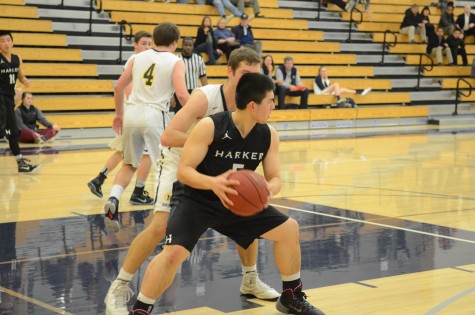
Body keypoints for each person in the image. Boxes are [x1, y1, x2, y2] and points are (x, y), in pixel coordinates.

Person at [127, 72, 325, 315]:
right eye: (270, 101)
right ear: (253, 105)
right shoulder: (211, 125)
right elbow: (184, 171)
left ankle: (291, 296)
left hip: (236, 202)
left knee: (289, 228)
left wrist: (267, 190)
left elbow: (276, 179)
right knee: (173, 252)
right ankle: (141, 309)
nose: (274, 105)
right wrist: (213, 183)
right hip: (196, 198)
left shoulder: (268, 134)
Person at [104, 48, 280, 315]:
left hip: (217, 160)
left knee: (247, 204)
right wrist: (210, 140)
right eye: (245, 74)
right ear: (229, 72)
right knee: (160, 226)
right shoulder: (205, 97)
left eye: (256, 76)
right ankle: (119, 287)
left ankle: (250, 278)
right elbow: (168, 136)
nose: (250, 82)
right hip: (180, 161)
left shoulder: (254, 103)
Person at [103, 22, 190, 233]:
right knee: (165, 165)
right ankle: (165, 215)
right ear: (175, 42)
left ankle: (113, 199)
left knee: (129, 164)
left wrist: (119, 114)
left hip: (132, 112)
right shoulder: (176, 61)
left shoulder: (137, 58)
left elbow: (118, 87)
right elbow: (181, 94)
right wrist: (198, 113)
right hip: (154, 114)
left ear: (155, 38)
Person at [88, 31, 155, 204]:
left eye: (149, 44)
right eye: (144, 43)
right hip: (135, 114)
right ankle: (139, 191)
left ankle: (99, 179)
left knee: (122, 151)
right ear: (135, 45)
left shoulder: (143, 61)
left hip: (132, 114)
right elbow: (126, 87)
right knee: (146, 155)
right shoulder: (134, 60)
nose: (147, 47)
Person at [0, 30, 39, 172]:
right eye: (2, 40)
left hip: (9, 100)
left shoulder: (17, 58)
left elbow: (21, 76)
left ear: (12, 42)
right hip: (1, 100)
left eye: (8, 40)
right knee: (11, 131)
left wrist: (25, 81)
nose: (5, 43)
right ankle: (20, 162)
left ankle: (20, 162)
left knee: (11, 132)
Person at [174, 37, 208, 113]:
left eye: (190, 45)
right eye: (186, 45)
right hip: (179, 93)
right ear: (182, 45)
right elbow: (171, 79)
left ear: (193, 46)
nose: (188, 47)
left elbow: (203, 77)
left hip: (194, 92)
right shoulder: (176, 59)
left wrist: (207, 93)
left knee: (193, 117)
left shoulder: (199, 59)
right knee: (180, 116)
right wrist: (171, 96)